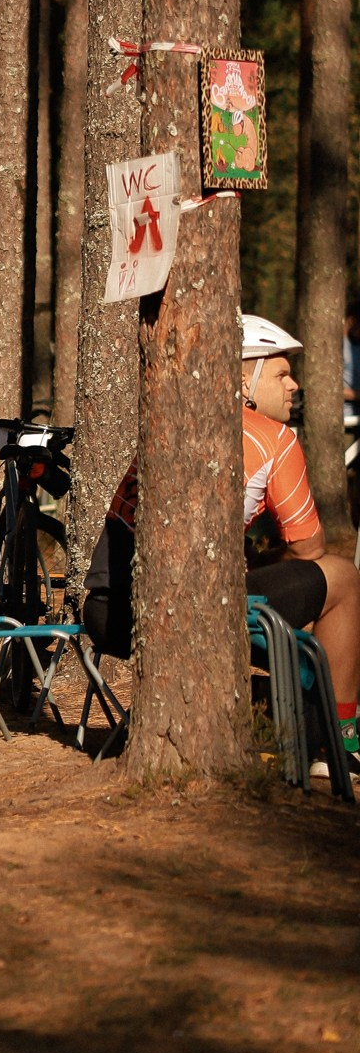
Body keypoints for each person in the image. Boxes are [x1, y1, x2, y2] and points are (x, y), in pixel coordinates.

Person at [84, 313, 360, 770]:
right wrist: (273, 555)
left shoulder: (169, 422)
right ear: (242, 378)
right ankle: (339, 742)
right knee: (342, 579)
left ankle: (296, 723)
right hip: (187, 615)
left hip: (106, 613)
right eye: (281, 373)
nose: (293, 385)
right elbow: (309, 551)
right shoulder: (276, 439)